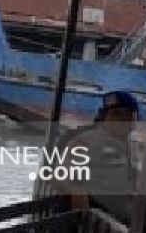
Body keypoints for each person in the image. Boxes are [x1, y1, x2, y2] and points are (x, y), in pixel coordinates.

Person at [57, 90, 141, 223]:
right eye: (116, 115)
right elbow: (73, 185)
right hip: (97, 220)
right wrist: (85, 223)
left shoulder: (130, 145)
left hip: (122, 217)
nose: (125, 122)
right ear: (105, 117)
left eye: (130, 117)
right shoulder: (85, 142)